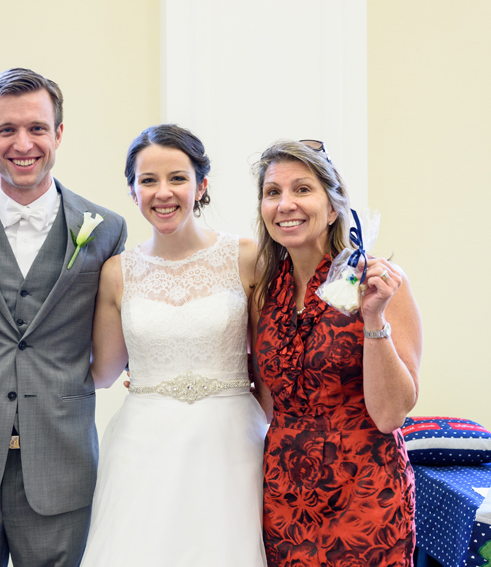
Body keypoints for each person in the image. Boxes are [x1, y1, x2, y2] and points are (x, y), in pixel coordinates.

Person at [0, 68, 126, 567]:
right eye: (6, 129)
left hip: (62, 462)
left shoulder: (105, 230)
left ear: (58, 133)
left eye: (36, 128)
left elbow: (117, 330)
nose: (23, 143)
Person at [81, 124, 268, 566]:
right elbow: (104, 373)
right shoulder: (116, 272)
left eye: (177, 178)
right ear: (133, 191)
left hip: (230, 442)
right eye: (148, 181)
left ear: (201, 185)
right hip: (142, 444)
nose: (163, 193)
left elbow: (267, 369)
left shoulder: (246, 256)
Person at [251, 139, 421, 566]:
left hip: (367, 498)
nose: (285, 203)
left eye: (302, 189)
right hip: (283, 500)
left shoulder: (380, 283)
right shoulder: (264, 296)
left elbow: (391, 415)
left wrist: (374, 319)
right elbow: (261, 401)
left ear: (332, 208)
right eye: (273, 192)